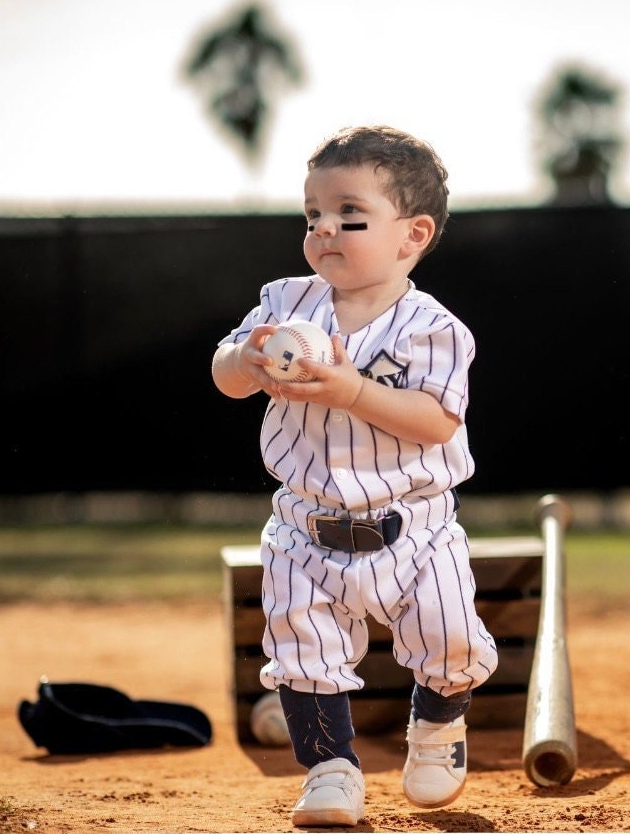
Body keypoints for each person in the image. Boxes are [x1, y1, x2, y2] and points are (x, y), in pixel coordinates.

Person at [211, 125, 498, 827]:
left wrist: (352, 392)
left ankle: (435, 729)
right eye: (312, 215)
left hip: (416, 527)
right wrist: (243, 364)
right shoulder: (285, 304)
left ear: (413, 234)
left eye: (349, 215)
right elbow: (223, 372)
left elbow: (435, 421)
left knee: (450, 639)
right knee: (303, 651)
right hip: (306, 526)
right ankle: (331, 770)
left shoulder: (432, 328)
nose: (324, 229)